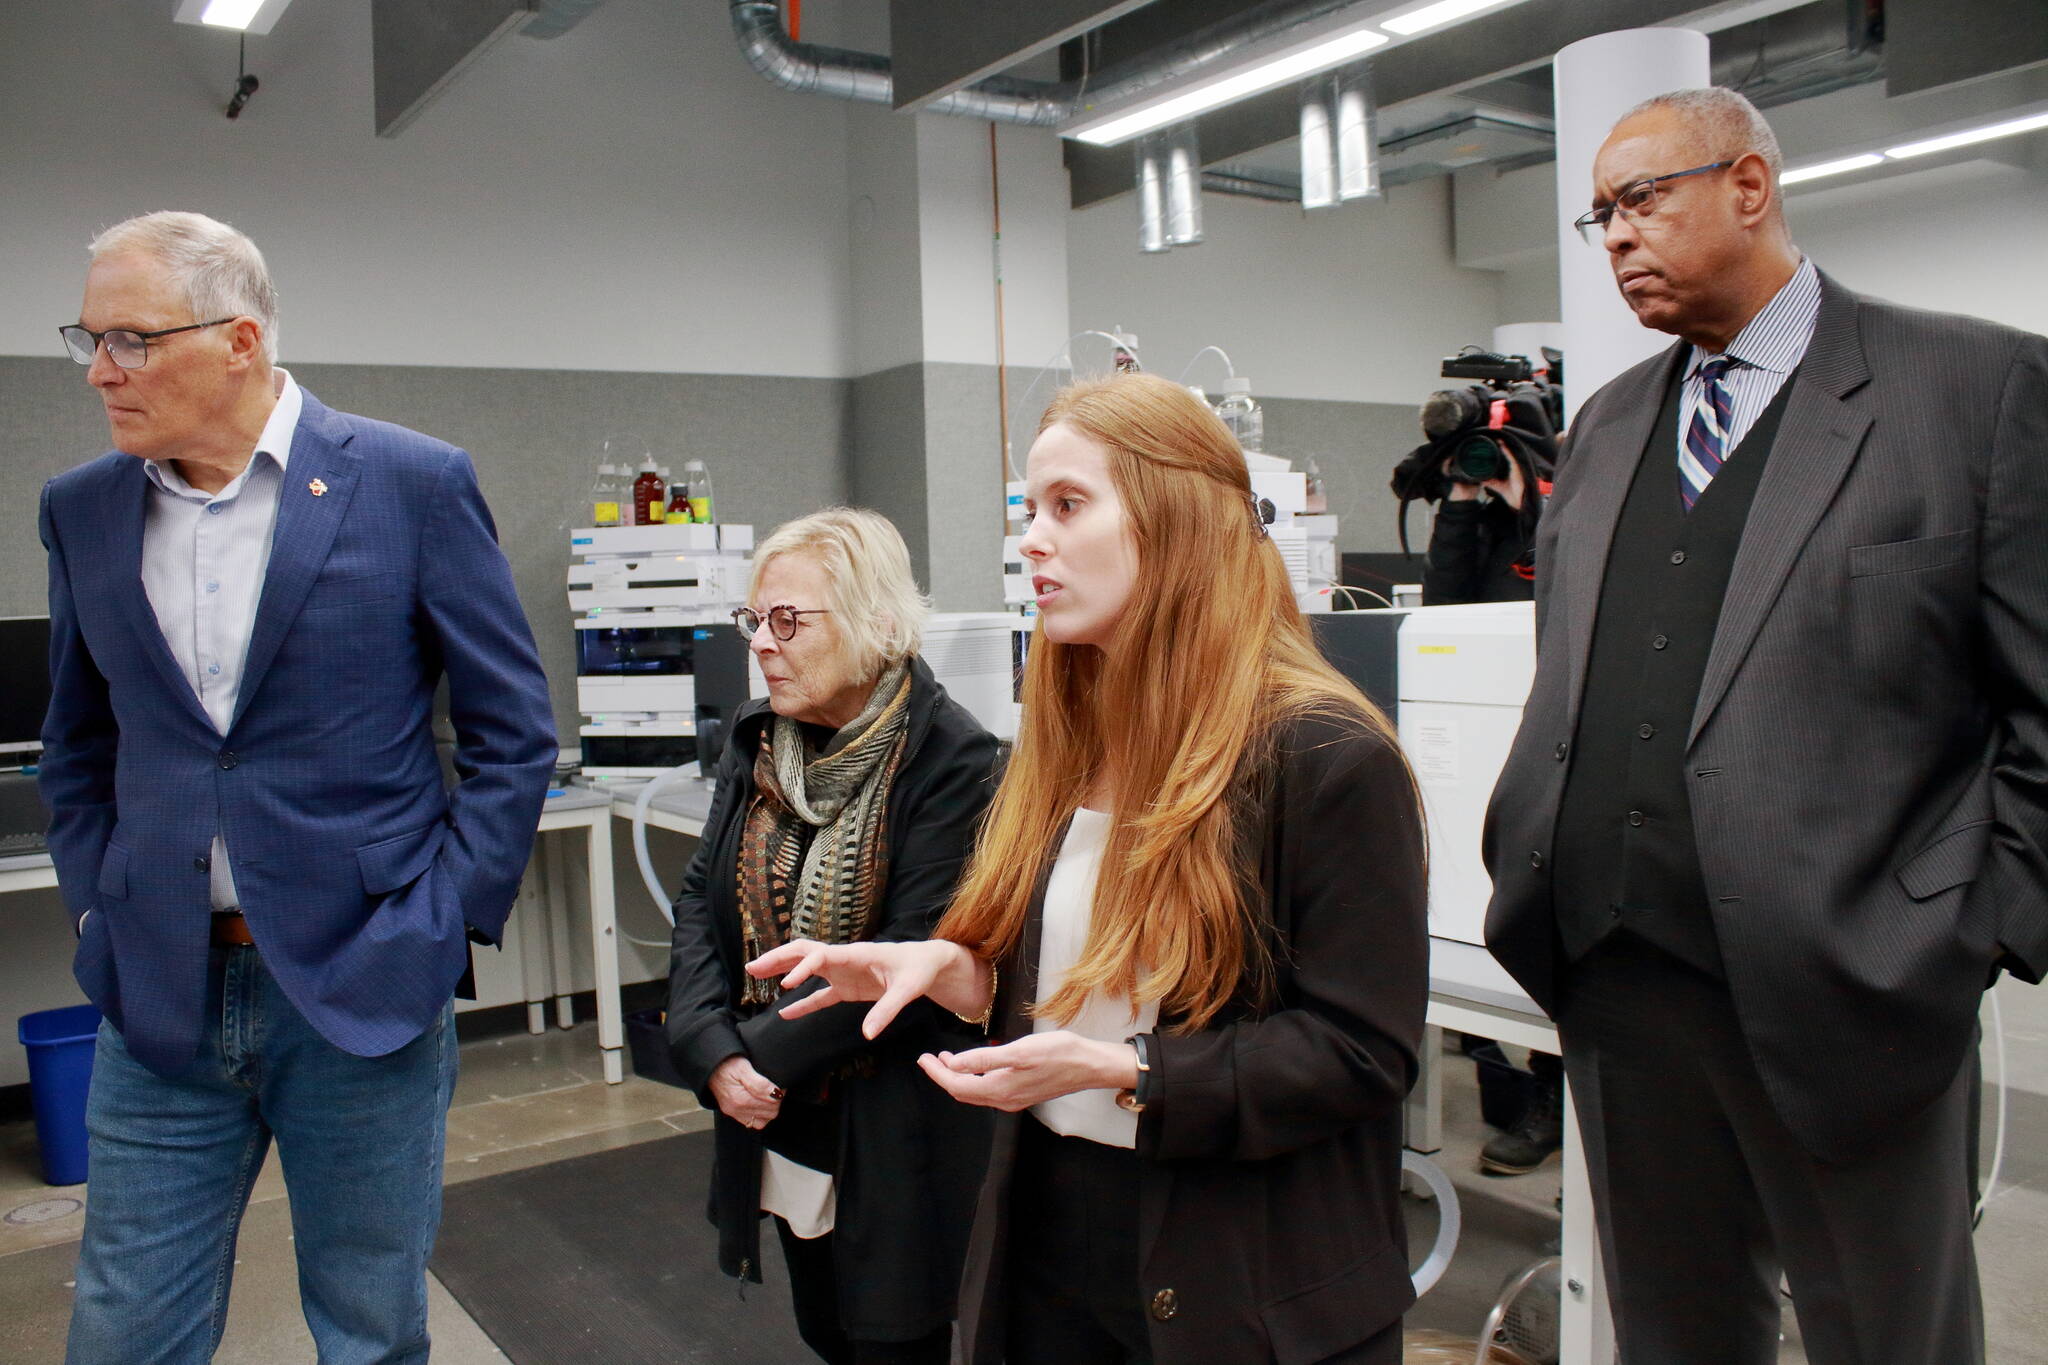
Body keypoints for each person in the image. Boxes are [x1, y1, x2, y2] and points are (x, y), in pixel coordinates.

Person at [1483, 87, 2048, 1364]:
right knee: (1674, 1330)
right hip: (1615, 977)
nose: (1614, 235)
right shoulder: (1607, 425)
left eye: (1639, 199)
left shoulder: (1974, 389)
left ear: (1747, 186)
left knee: (1884, 1332)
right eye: (1597, 216)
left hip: (1851, 981)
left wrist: (1972, 926)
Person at [751, 372, 1429, 1365]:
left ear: (1175, 517)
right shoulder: (1067, 744)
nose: (1033, 540)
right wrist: (952, 972)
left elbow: (1361, 1052)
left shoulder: (1324, 754)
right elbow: (1078, 979)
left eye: (1068, 505)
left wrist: (1131, 1072)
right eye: (1030, 510)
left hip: (1241, 1271)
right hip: (1054, 1243)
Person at [38, 212, 557, 1364]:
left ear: (239, 339)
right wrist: (96, 910)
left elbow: (512, 732)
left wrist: (439, 924)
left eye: (129, 340)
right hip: (158, 992)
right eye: (89, 339)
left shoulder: (410, 484)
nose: (100, 371)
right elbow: (74, 744)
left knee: (369, 1328)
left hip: (362, 981)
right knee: (123, 1331)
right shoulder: (82, 509)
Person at [664, 507, 1001, 1365]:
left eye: (788, 620)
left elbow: (904, 962)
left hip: (886, 1124)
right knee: (823, 1328)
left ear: (874, 624)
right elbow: (703, 893)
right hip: (776, 1104)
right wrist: (706, 1046)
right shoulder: (760, 737)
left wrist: (743, 1056)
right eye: (754, 619)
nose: (761, 644)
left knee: (892, 1339)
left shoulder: (952, 758)